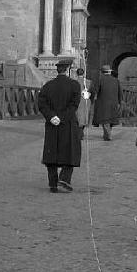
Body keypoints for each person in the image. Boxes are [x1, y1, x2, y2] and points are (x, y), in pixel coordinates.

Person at [38, 59, 81, 193]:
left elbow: (42, 104)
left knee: (52, 152)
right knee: (71, 151)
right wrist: (62, 118)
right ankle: (64, 178)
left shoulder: (48, 85)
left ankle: (52, 184)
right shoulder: (75, 85)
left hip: (52, 124)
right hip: (67, 123)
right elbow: (74, 105)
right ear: (68, 70)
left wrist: (51, 117)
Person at [91, 64, 123, 141]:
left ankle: (107, 135)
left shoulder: (100, 79)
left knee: (105, 120)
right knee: (111, 120)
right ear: (109, 72)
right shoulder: (116, 80)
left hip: (103, 103)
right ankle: (107, 134)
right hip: (114, 103)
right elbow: (120, 93)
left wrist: (92, 99)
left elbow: (95, 91)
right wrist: (120, 102)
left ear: (102, 72)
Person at [75, 68, 92, 140]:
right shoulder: (88, 82)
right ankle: (81, 132)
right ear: (83, 73)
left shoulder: (74, 82)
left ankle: (79, 133)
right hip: (86, 101)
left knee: (78, 118)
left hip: (77, 101)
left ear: (76, 73)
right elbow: (92, 92)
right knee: (85, 117)